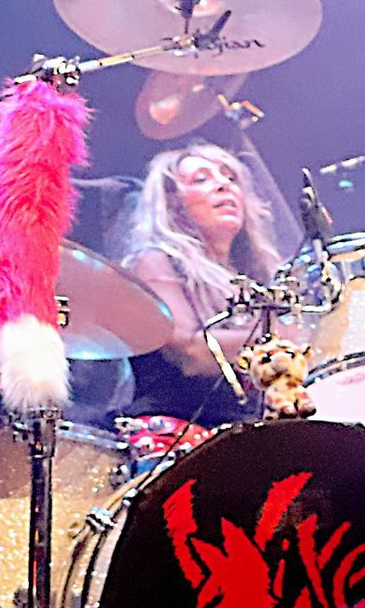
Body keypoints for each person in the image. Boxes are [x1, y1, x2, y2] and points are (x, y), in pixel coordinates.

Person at [118, 140, 286, 439]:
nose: (223, 185)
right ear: (173, 201)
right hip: (177, 437)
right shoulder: (155, 260)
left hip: (247, 433)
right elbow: (191, 354)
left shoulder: (258, 278)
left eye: (230, 177)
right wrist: (282, 338)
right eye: (201, 179)